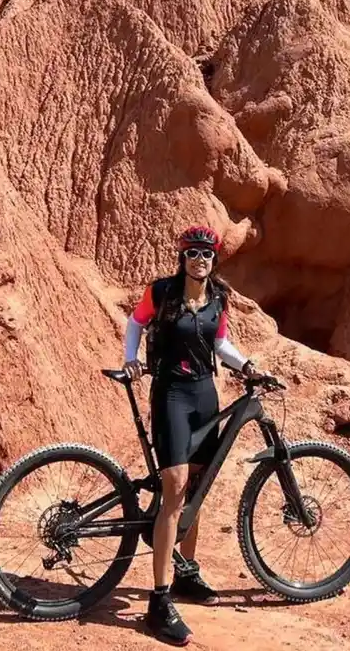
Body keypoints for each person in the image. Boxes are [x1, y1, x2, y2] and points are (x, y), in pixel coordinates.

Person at [123, 225, 261, 646]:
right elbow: (134, 322)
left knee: (198, 482)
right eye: (193, 253)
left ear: (214, 260)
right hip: (170, 393)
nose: (200, 259)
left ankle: (186, 571)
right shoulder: (162, 292)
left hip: (205, 393)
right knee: (176, 488)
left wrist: (247, 365)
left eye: (207, 254)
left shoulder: (218, 298)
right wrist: (130, 359)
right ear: (182, 257)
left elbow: (220, 344)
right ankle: (159, 601)